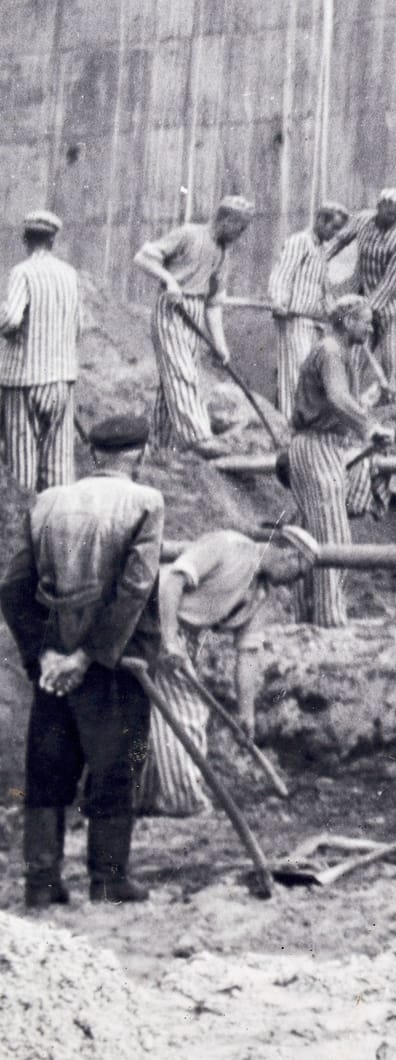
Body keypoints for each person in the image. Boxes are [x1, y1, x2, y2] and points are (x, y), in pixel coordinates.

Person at [0, 415, 164, 907]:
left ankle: (42, 882)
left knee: (48, 767)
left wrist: (44, 655)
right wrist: (90, 655)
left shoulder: (49, 501)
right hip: (117, 661)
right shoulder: (145, 502)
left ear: (93, 456)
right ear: (139, 455)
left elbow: (12, 587)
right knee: (119, 763)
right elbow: (135, 589)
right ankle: (109, 879)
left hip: (53, 659)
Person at [138, 525, 319, 817]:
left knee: (153, 713)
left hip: (182, 638)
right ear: (288, 553)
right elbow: (172, 580)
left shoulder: (262, 594)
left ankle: (143, 799)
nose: (293, 583)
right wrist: (170, 639)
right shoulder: (227, 545)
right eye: (298, 573)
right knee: (188, 711)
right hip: (151, 619)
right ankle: (185, 802)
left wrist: (245, 713)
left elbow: (247, 653)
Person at [287, 296, 394, 627]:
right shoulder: (332, 351)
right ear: (348, 322)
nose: (371, 327)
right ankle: (329, 621)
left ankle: (308, 617)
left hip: (324, 445)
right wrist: (368, 426)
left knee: (312, 535)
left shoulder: (336, 352)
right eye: (366, 321)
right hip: (316, 447)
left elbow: (332, 400)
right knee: (333, 539)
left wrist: (364, 403)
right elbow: (336, 399)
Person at [133, 195, 254, 455]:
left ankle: (160, 447)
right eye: (240, 227)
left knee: (172, 381)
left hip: (195, 310)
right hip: (172, 309)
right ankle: (199, 437)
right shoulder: (188, 234)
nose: (241, 234)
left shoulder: (222, 252)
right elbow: (143, 257)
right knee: (182, 372)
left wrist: (221, 346)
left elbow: (214, 304)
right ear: (226, 219)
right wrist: (169, 280)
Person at [0, 210, 82, 492]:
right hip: (62, 380)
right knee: (59, 469)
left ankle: (24, 530)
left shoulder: (22, 272)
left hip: (24, 380)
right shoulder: (70, 274)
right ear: (53, 240)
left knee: (23, 469)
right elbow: (78, 326)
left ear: (25, 239)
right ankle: (57, 531)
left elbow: (11, 319)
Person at [326, 188, 396, 399]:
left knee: (392, 361)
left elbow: (389, 284)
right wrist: (320, 258)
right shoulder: (363, 220)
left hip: (392, 307)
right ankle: (349, 400)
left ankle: (394, 405)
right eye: (388, 213)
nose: (392, 218)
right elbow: (339, 241)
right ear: (379, 207)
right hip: (363, 296)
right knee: (353, 355)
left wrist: (357, 313)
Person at [266, 201, 349, 415]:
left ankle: (304, 421)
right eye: (334, 227)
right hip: (294, 319)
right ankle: (289, 423)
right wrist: (278, 301)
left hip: (314, 321)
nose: (336, 234)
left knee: (311, 374)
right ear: (321, 220)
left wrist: (335, 313)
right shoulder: (299, 242)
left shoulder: (320, 250)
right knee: (295, 372)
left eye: (339, 230)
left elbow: (323, 288)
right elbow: (282, 274)